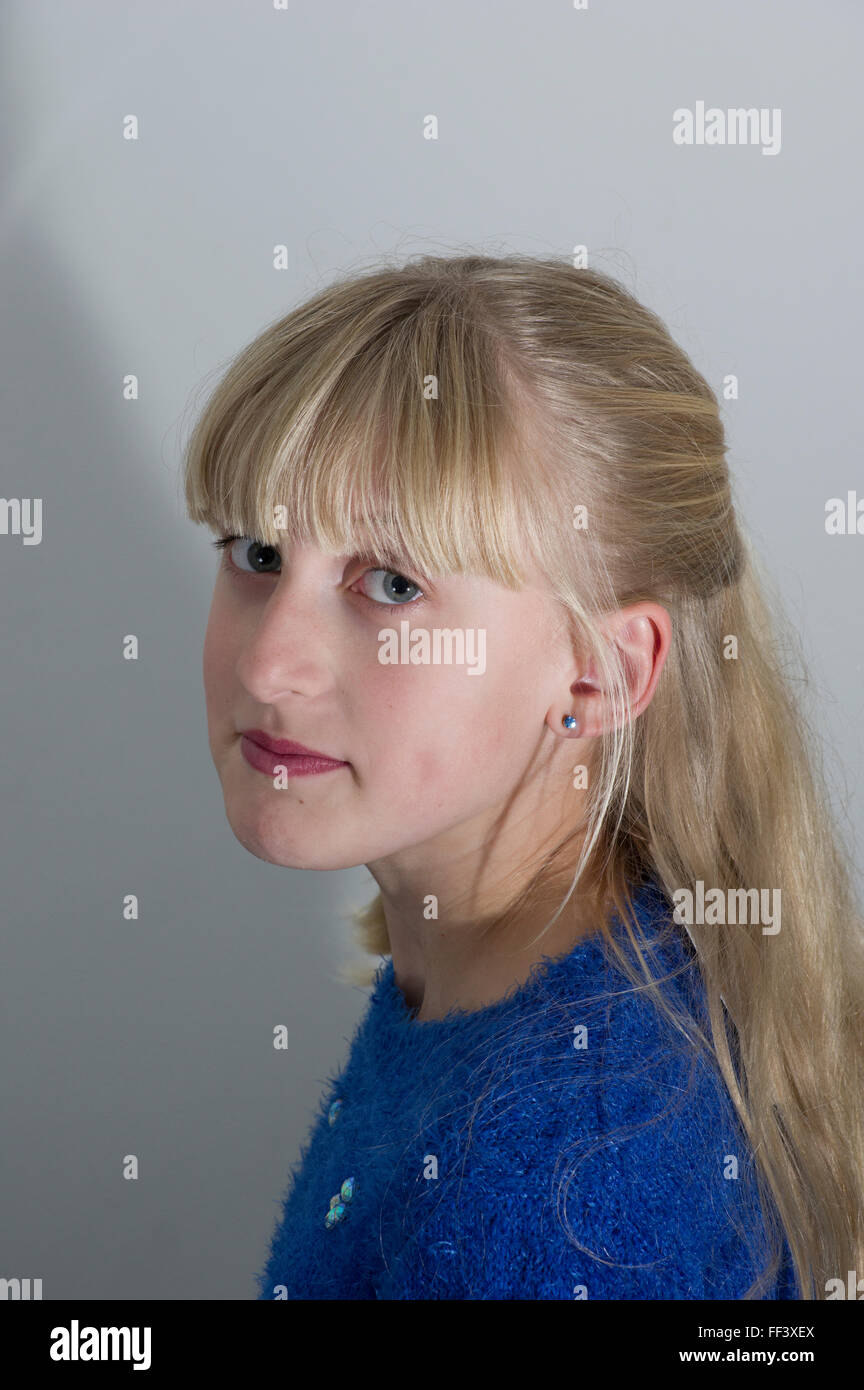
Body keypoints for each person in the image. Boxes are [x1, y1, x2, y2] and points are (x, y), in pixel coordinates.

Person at [182, 252, 864, 1299]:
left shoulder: (555, 1193)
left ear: (598, 676)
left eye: (393, 583)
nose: (269, 665)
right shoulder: (510, 969)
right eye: (260, 554)